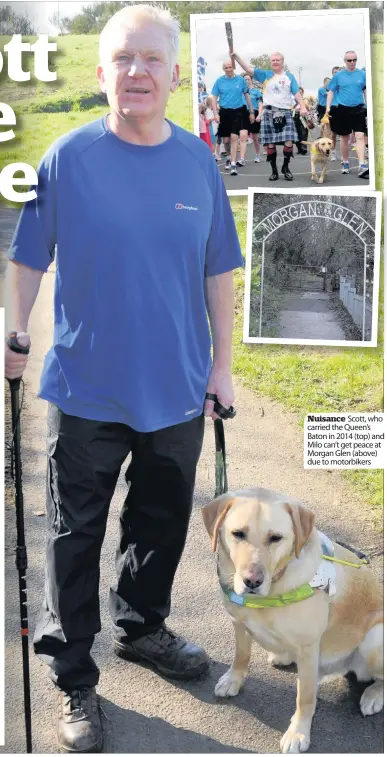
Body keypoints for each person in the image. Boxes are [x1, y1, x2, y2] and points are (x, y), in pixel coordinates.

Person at [4, 5, 243, 753]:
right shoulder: (65, 159)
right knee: (74, 537)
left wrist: (222, 366)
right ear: (101, 72)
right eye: (121, 60)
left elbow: (219, 269)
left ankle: (142, 626)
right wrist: (13, 328)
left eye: (150, 60)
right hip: (85, 388)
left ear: (174, 75)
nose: (135, 72)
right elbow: (27, 259)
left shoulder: (198, 160)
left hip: (175, 387)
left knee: (161, 521)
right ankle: (73, 673)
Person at [232, 51, 307, 181]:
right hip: (268, 112)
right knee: (270, 144)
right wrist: (236, 57)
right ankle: (274, 171)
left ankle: (285, 167)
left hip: (285, 111)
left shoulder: (289, 77)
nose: (275, 62)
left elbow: (296, 92)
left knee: (289, 142)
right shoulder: (265, 75)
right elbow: (248, 69)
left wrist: (303, 106)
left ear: (282, 62)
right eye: (273, 60)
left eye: (278, 60)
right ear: (271, 62)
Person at [326, 51, 368, 177]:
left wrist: (368, 105)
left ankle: (362, 164)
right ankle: (345, 162)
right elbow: (331, 92)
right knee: (344, 137)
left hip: (359, 108)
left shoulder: (362, 74)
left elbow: (365, 90)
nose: (352, 62)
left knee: (360, 135)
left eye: (354, 60)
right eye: (349, 60)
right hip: (342, 109)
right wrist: (328, 107)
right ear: (345, 61)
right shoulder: (338, 76)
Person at [210, 60, 255, 176]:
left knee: (235, 136)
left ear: (233, 68)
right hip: (225, 112)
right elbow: (214, 97)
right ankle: (229, 157)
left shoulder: (240, 80)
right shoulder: (219, 81)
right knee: (226, 140)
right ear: (223, 69)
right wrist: (215, 113)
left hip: (238, 111)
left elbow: (247, 96)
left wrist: (251, 112)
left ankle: (234, 164)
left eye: (230, 67)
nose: (229, 69)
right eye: (226, 67)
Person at [242, 73, 262, 162]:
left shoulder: (256, 91)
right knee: (243, 136)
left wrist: (259, 114)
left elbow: (260, 104)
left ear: (251, 80)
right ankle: (242, 158)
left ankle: (257, 154)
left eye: (248, 79)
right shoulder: (240, 92)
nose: (246, 81)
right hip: (243, 113)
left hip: (254, 113)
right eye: (245, 80)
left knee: (255, 138)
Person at [328, 65, 341, 160]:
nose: (336, 74)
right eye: (334, 72)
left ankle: (345, 157)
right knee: (333, 133)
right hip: (333, 108)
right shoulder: (331, 83)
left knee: (345, 134)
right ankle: (332, 152)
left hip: (344, 107)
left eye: (338, 72)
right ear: (332, 74)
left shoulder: (344, 82)